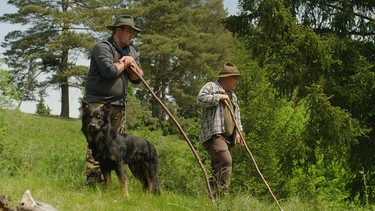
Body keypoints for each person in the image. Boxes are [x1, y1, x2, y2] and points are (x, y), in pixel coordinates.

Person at [84, 15, 144, 183]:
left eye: (133, 33)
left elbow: (138, 78)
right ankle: (93, 179)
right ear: (118, 30)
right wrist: (125, 63)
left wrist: (131, 62)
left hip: (118, 105)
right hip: (98, 104)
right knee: (96, 141)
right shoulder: (102, 47)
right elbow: (109, 71)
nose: (132, 36)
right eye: (129, 32)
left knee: (113, 145)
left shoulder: (131, 51)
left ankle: (108, 181)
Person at [196, 62, 243, 196]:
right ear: (226, 78)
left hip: (228, 138)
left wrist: (239, 132)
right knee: (225, 161)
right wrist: (218, 97)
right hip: (214, 136)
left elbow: (236, 115)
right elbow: (200, 100)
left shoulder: (233, 95)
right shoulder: (211, 86)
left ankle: (213, 198)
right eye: (235, 78)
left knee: (217, 167)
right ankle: (223, 195)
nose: (237, 81)